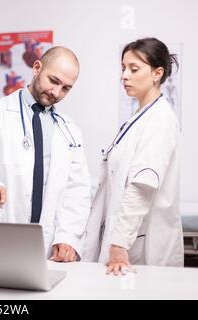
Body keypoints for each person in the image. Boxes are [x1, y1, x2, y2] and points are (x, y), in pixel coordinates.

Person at [0, 46, 92, 262]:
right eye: (53, 80)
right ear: (37, 67)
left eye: (66, 88)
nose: (56, 92)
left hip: (46, 244)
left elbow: (77, 188)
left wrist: (68, 237)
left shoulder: (70, 130)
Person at [82, 38, 183, 274]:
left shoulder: (160, 119)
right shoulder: (138, 118)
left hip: (137, 245)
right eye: (123, 68)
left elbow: (142, 186)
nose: (124, 75)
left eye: (133, 69)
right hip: (125, 237)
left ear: (157, 73)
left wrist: (118, 244)